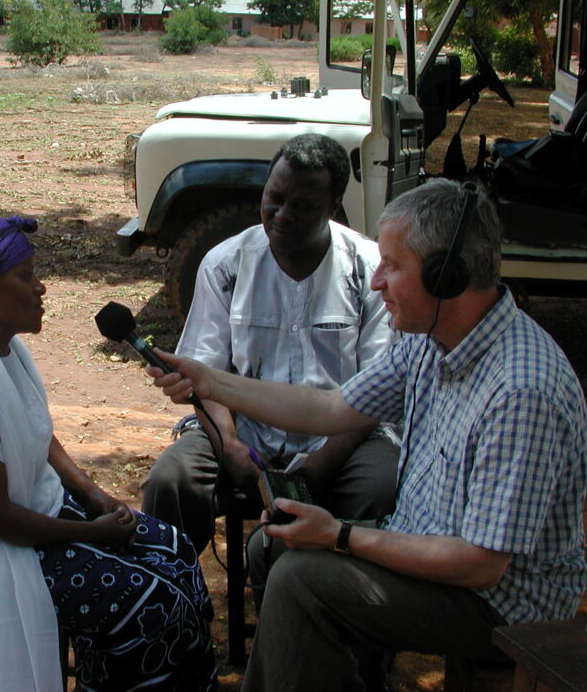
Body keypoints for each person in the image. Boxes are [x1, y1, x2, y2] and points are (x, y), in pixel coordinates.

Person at [147, 179, 587, 692]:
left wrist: (339, 535)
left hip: (500, 602)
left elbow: (480, 565)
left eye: (393, 266)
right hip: (436, 550)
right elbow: (331, 407)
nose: (377, 282)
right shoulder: (432, 341)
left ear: (448, 275)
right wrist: (210, 379)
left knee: (302, 583)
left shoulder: (520, 390)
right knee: (272, 549)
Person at [0, 213, 217, 692]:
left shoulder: (1, 349)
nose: (41, 288)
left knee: (177, 552)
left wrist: (93, 494)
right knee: (153, 603)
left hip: (37, 508)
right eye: (26, 277)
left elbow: (35, 430)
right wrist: (89, 532)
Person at [141, 132, 399, 557]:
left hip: (343, 438)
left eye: (302, 206)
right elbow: (205, 374)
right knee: (172, 479)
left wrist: (321, 465)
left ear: (333, 207)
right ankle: (173, 600)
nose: (281, 215)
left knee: (380, 487)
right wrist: (231, 447)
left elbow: (375, 393)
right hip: (243, 434)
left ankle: (325, 603)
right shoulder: (226, 264)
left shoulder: (369, 270)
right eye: (274, 198)